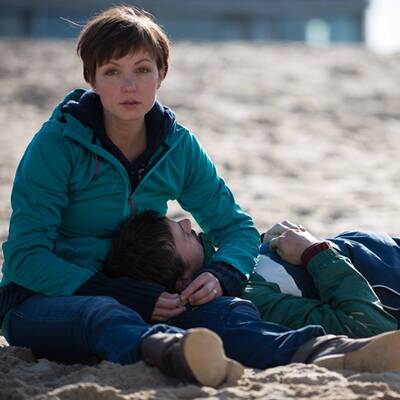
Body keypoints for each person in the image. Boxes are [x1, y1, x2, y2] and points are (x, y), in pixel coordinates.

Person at [0, 5, 263, 386]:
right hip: (40, 303)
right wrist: (118, 292)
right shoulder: (56, 146)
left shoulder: (178, 147)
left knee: (226, 311)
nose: (129, 86)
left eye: (142, 70)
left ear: (161, 74)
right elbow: (25, 258)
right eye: (112, 71)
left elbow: (236, 228)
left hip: (146, 297)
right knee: (103, 313)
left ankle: (319, 349)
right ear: (91, 78)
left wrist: (222, 273)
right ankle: (177, 354)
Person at [102, 211, 397, 339]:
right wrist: (314, 252)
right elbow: (370, 328)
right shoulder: (255, 300)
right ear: (184, 282)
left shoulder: (230, 259)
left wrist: (266, 243)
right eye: (182, 234)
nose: (188, 223)